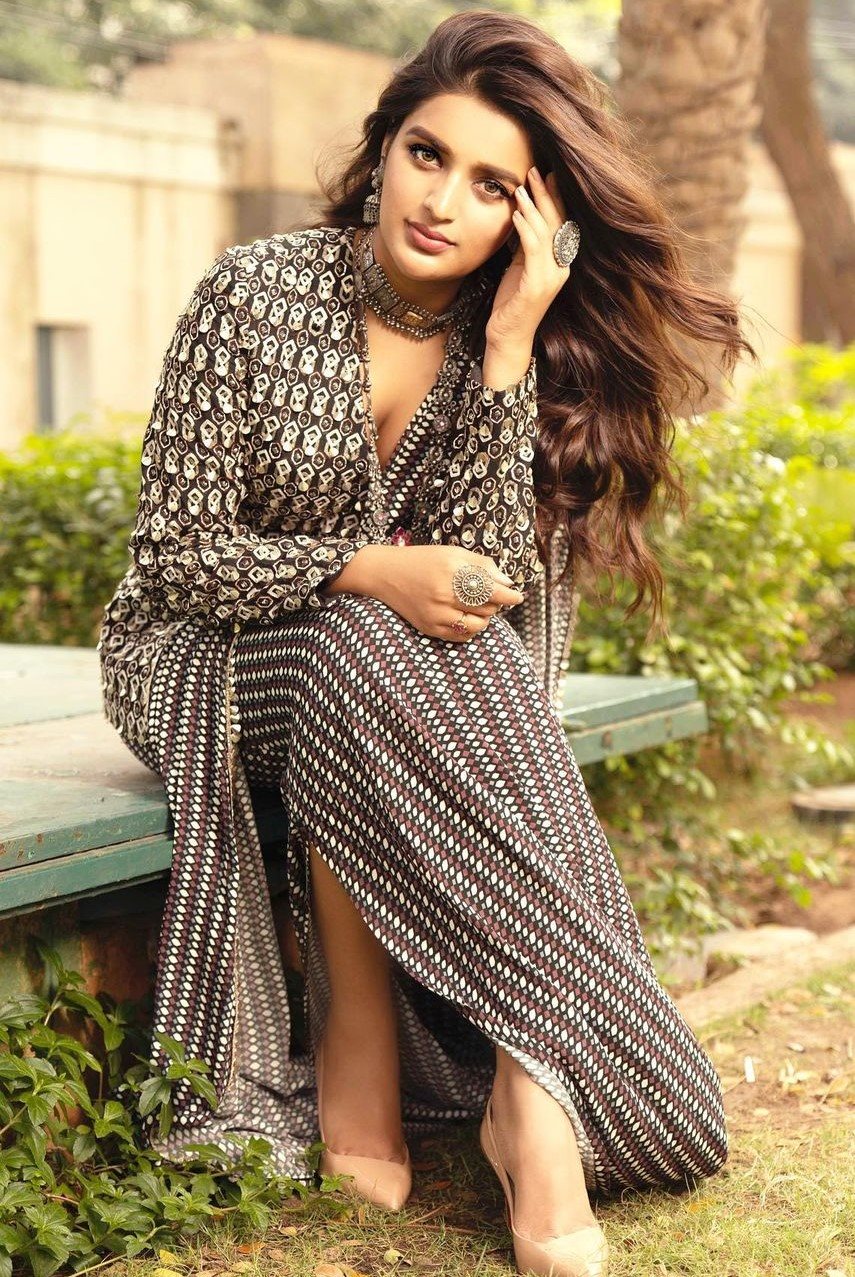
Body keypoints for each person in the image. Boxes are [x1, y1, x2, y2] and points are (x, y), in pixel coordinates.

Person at [97, 10, 757, 1276]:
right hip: (204, 652)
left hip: (379, 678)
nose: (444, 201)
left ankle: (521, 1082)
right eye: (427, 154)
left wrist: (507, 350)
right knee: (365, 624)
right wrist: (363, 565)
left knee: (398, 638)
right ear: (384, 147)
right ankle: (462, 1070)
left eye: (493, 184)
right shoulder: (255, 293)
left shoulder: (498, 337)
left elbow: (480, 584)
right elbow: (177, 556)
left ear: (532, 215)